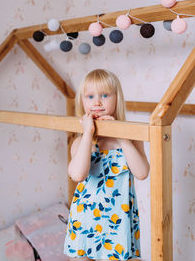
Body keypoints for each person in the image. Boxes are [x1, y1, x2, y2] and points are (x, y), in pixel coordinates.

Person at [64, 69, 149, 261]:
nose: (97, 102)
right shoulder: (80, 142)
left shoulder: (132, 138)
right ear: (82, 101)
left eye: (104, 95)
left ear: (117, 98)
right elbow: (77, 175)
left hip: (118, 223)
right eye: (90, 96)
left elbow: (142, 172)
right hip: (85, 222)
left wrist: (121, 135)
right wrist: (87, 133)